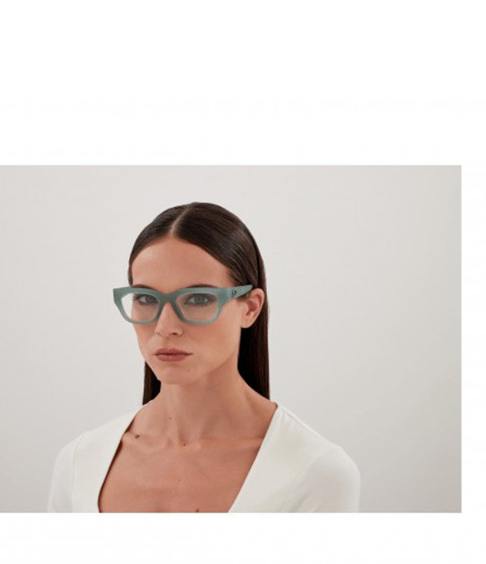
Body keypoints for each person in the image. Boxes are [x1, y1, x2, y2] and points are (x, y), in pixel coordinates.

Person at [48, 202, 360, 512]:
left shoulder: (316, 473)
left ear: (250, 308)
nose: (165, 327)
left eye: (198, 298)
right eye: (145, 298)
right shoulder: (79, 463)